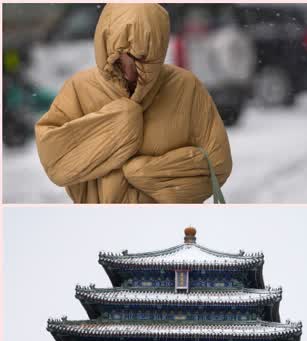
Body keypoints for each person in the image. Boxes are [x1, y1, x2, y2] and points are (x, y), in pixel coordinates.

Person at [35, 3, 232, 203]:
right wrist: (119, 125)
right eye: (119, 61)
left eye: (141, 59)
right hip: (100, 227)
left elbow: (218, 164)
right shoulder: (79, 89)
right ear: (104, 48)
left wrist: (149, 174)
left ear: (158, 49)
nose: (129, 73)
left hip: (166, 227)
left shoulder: (186, 88)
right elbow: (55, 162)